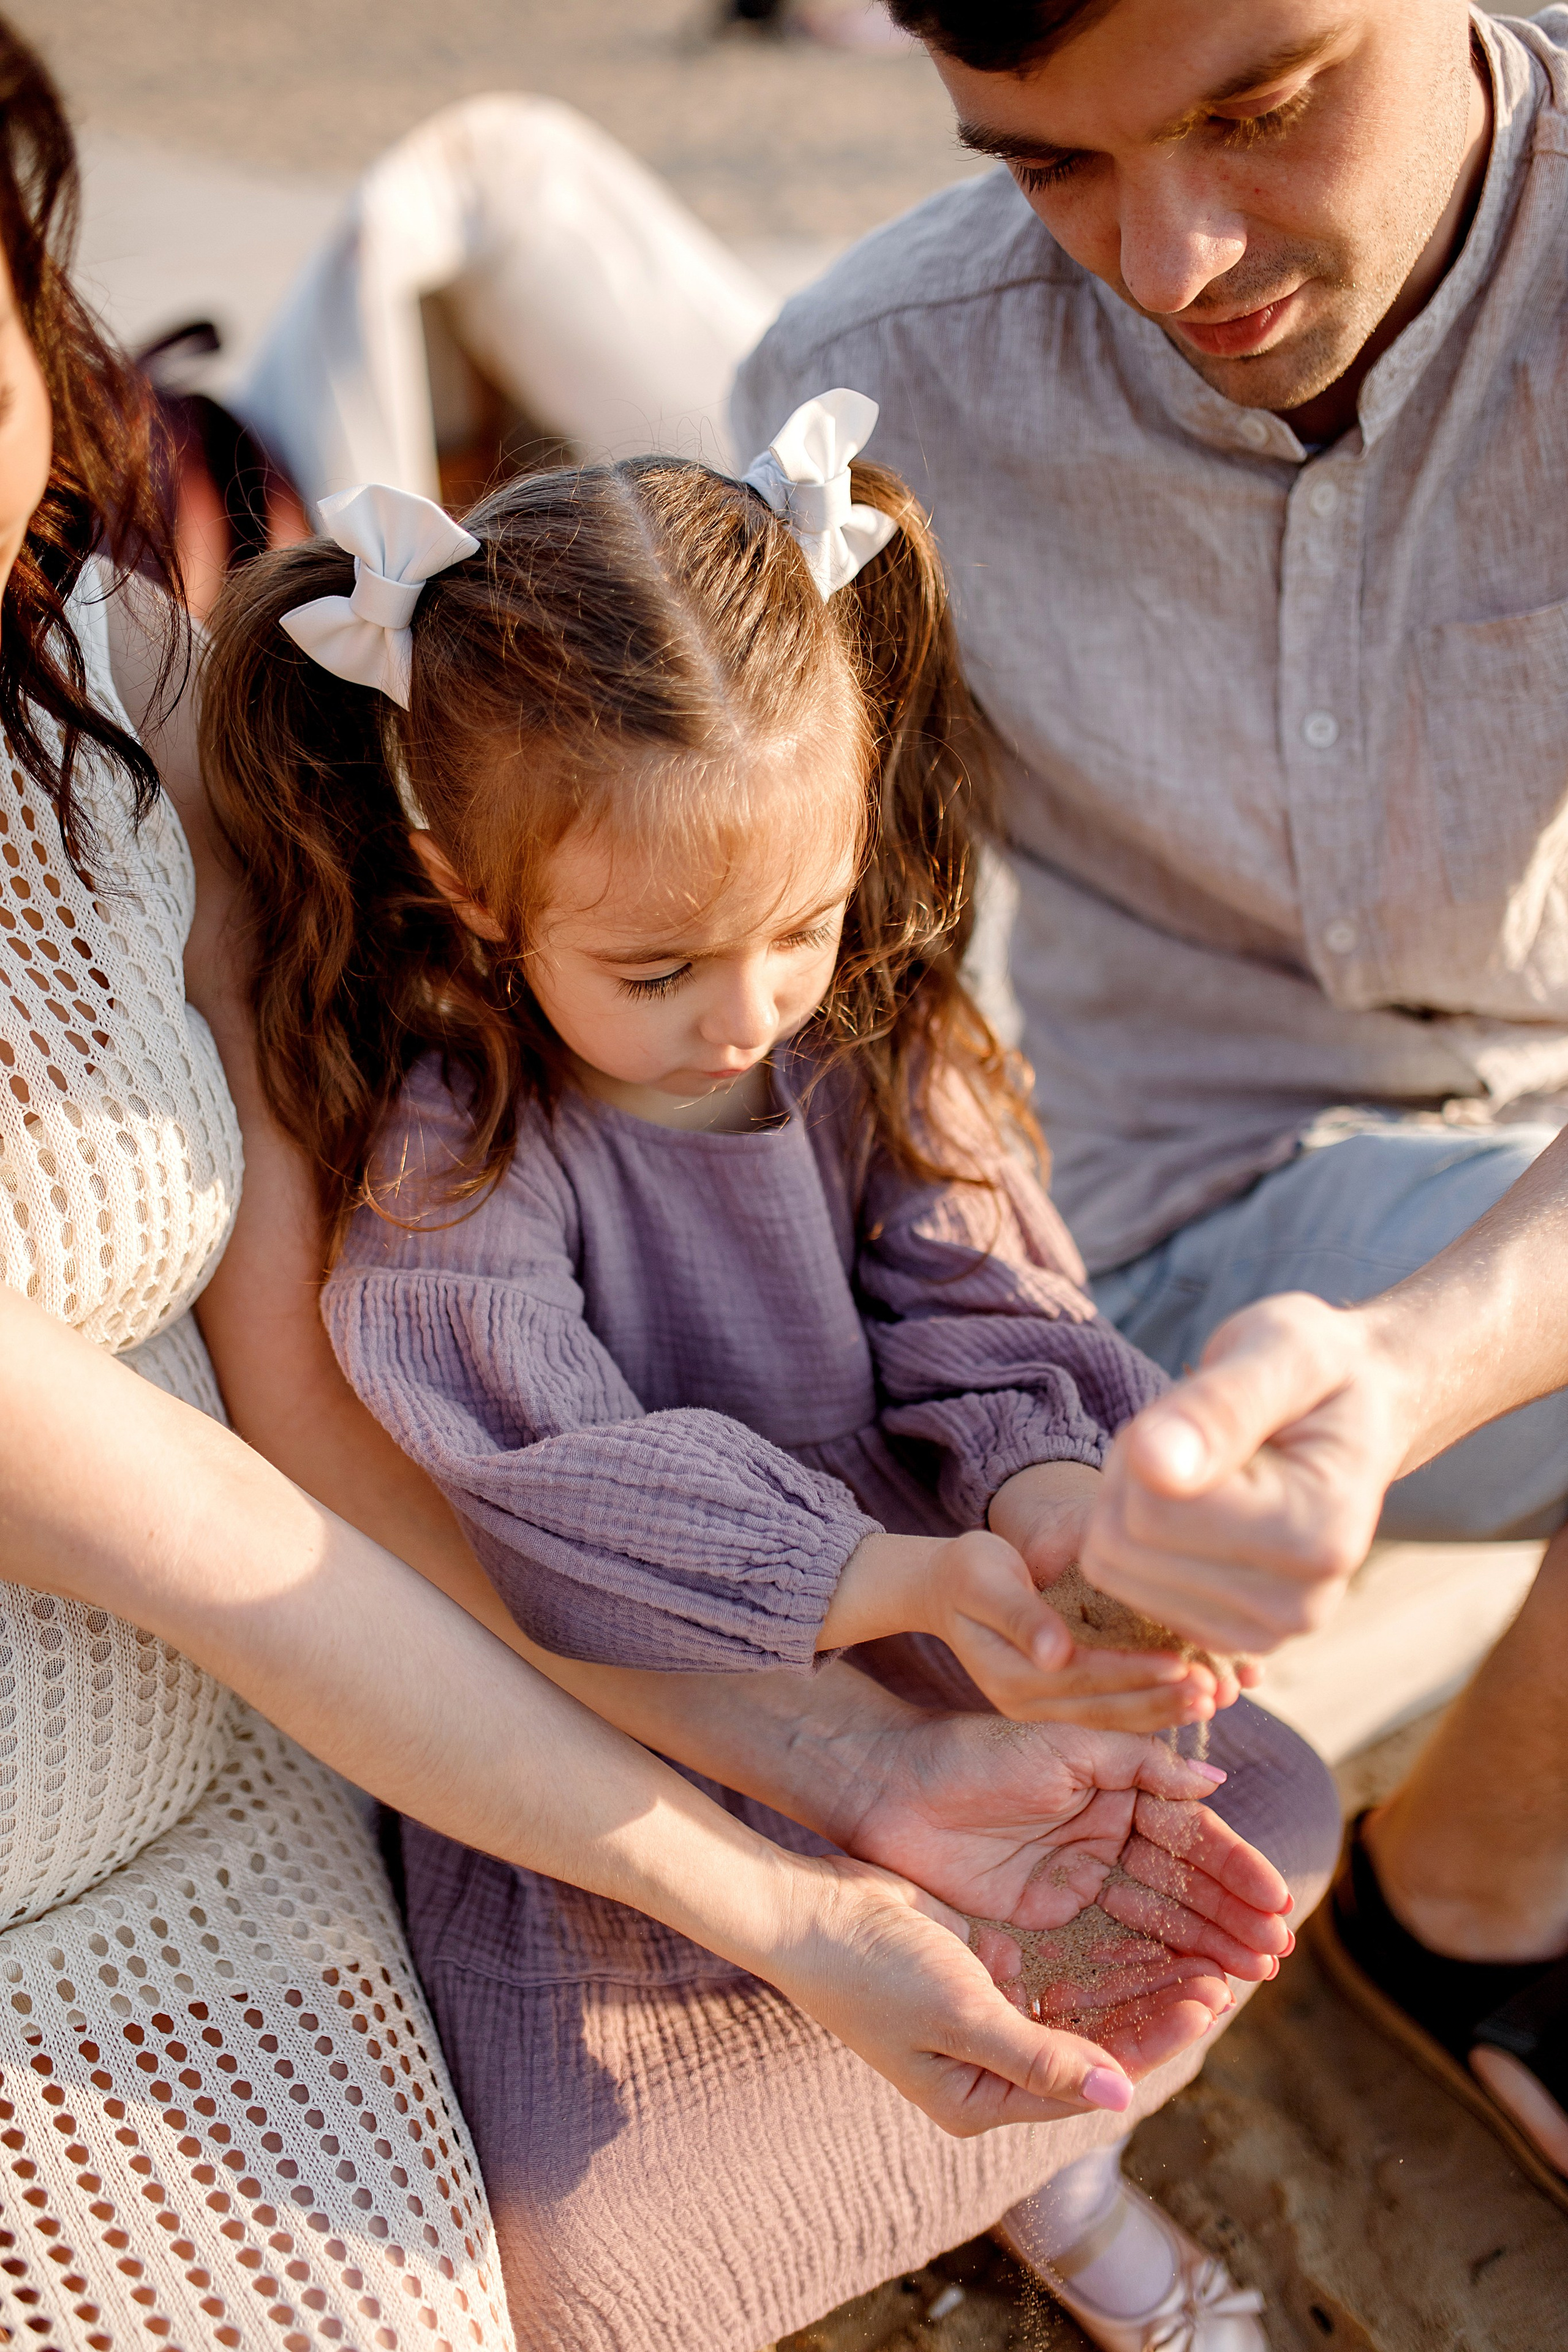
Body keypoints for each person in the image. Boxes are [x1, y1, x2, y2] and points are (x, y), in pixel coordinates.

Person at [0, 21, 1322, 2351]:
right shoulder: (457, 1128)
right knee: (604, 2237)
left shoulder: (849, 1025)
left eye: (798, 928)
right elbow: (543, 1471)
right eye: (663, 963)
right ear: (465, 878)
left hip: (879, 1626)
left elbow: (975, 1281)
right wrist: (892, 1569)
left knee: (1228, 1823)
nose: (749, 1013)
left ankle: (1047, 2158)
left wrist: (1051, 1495)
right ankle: (1015, 2164)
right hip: (611, 1700)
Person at [735, 0, 1568, 2206]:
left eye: (1261, 105)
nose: (1179, 257)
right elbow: (835, 1005)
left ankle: (1467, 1877)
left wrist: (1406, 1372)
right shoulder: (872, 387)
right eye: (1049, 167)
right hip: (1168, 1248)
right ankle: (1470, 1926)